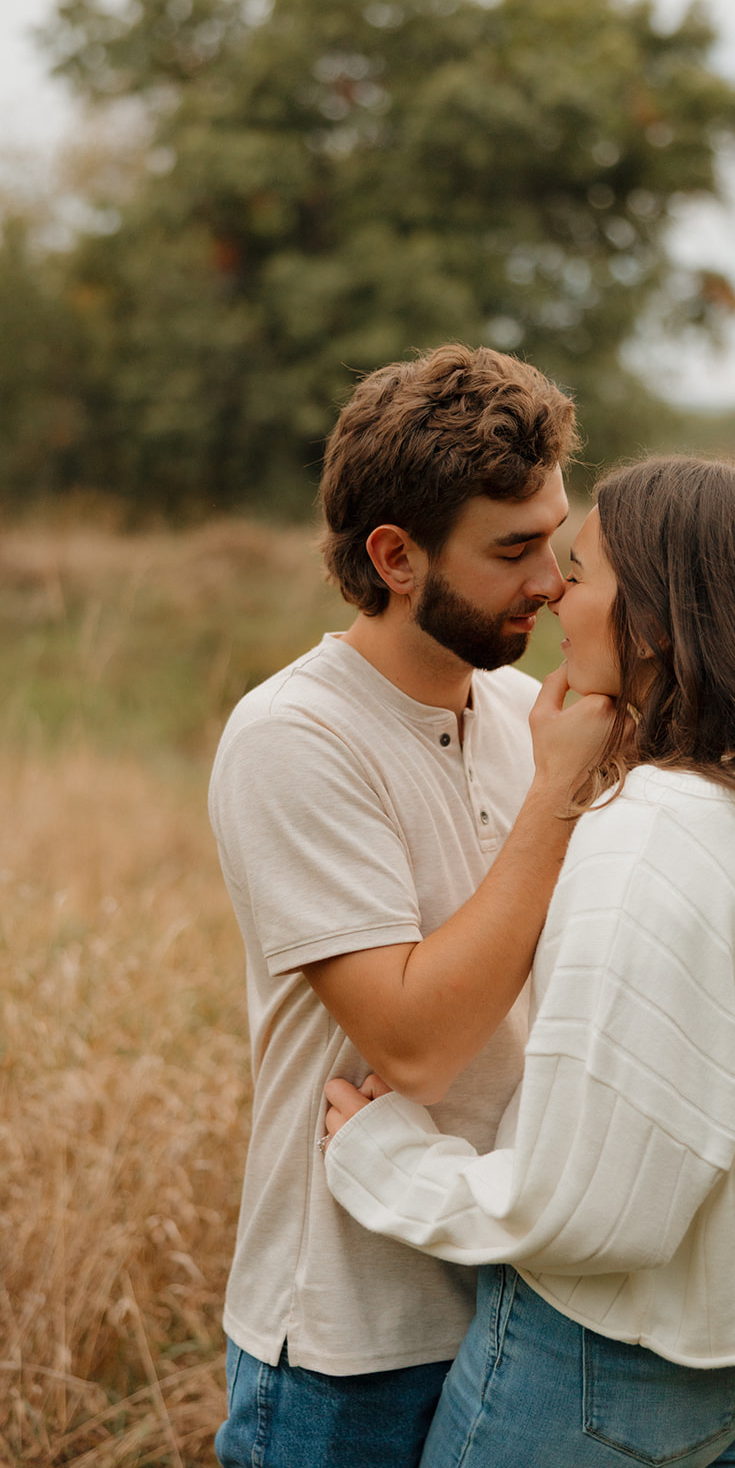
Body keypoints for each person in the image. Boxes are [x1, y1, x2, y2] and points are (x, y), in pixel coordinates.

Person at [321, 455, 735, 1468]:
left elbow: (598, 1206)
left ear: (651, 620)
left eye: (585, 568)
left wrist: (393, 1162)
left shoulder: (646, 830)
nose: (556, 588)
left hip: (609, 1358)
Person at [209, 345, 615, 1468]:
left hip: (515, 1305)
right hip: (348, 1343)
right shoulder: (295, 737)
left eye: (557, 540)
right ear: (395, 555)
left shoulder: (530, 707)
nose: (552, 581)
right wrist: (558, 792)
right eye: (512, 549)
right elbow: (419, 1045)